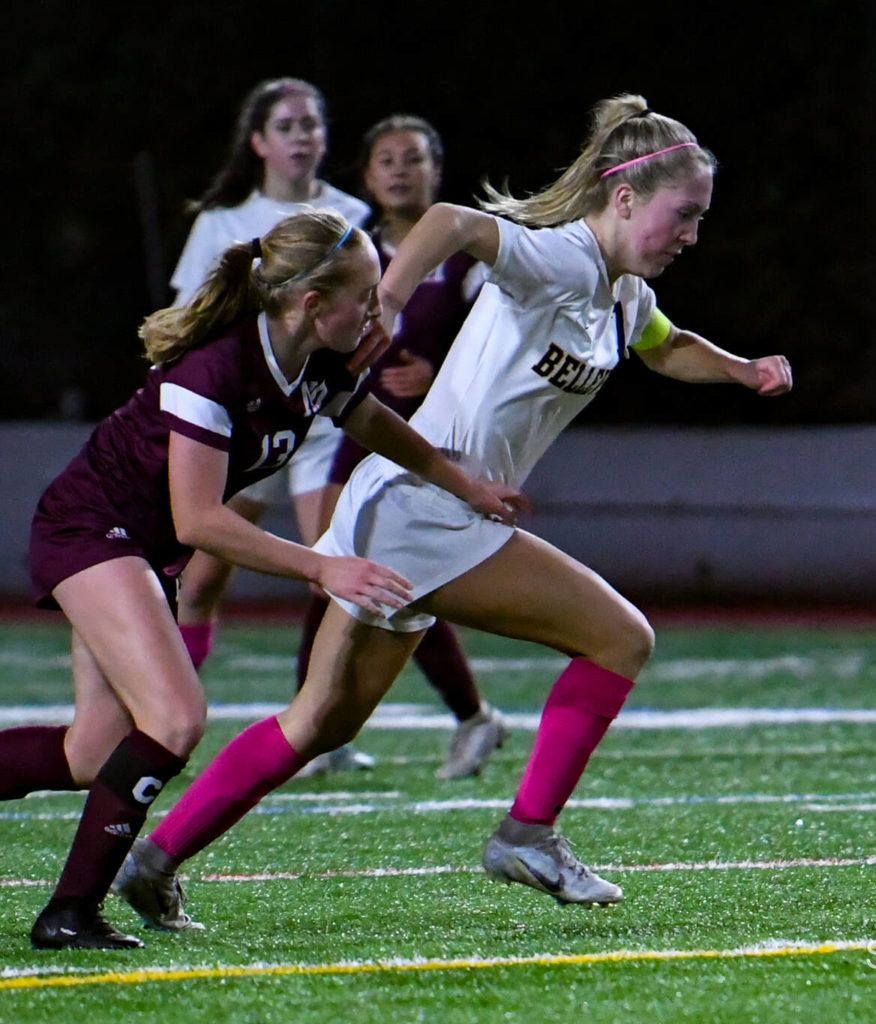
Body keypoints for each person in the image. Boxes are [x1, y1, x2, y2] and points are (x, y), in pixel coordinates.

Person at [115, 93, 791, 933]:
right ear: (623, 199)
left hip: (415, 515)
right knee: (622, 637)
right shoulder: (559, 260)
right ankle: (528, 833)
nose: (692, 233)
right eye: (683, 213)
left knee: (320, 722)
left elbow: (668, 345)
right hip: (423, 512)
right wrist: (389, 301)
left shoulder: (622, 296)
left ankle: (154, 859)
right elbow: (448, 221)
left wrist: (743, 369)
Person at [0, 210, 524, 950]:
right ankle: (69, 912)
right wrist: (323, 564)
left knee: (92, 753)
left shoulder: (314, 356)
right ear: (313, 303)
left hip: (136, 542)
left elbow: (369, 420)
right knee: (176, 718)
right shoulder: (215, 368)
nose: (380, 314)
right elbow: (199, 522)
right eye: (368, 297)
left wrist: (460, 483)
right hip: (90, 529)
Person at [296, 114, 504, 780]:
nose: (398, 170)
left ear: (436, 171)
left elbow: (500, 348)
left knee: (405, 580)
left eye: (412, 159)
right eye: (385, 159)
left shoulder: (470, 255)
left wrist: (437, 376)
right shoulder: (354, 250)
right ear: (366, 176)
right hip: (360, 428)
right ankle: (316, 729)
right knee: (327, 569)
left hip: (435, 440)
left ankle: (471, 717)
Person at [167, 77, 368, 722]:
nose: (303, 137)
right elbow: (186, 322)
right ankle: (166, 704)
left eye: (312, 124)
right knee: (199, 581)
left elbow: (373, 319)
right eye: (287, 125)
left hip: (318, 418)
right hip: (247, 426)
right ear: (257, 142)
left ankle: (313, 721)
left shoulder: (351, 218)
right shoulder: (221, 225)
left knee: (335, 570)